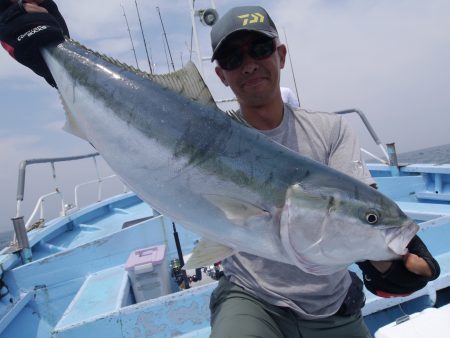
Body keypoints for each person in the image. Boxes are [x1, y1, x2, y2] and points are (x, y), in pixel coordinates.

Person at [0, 3, 440, 338]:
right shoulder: (192, 131)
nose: (249, 63)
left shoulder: (330, 130)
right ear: (221, 75)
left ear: (280, 54)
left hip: (334, 306)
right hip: (251, 297)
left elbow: (359, 202)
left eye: (260, 48)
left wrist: (388, 260)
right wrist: (51, 54)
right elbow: (126, 130)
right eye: (233, 58)